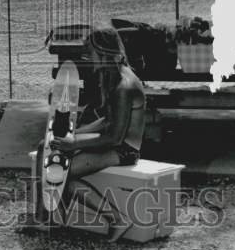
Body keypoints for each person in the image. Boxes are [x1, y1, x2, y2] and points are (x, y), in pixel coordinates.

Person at [23, 54, 146, 240]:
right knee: (47, 147)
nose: (89, 58)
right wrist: (76, 134)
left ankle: (116, 219)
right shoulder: (117, 77)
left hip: (124, 150)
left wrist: (75, 143)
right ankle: (46, 218)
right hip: (116, 144)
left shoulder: (123, 86)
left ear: (106, 53)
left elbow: (115, 138)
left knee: (57, 173)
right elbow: (108, 121)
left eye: (92, 53)